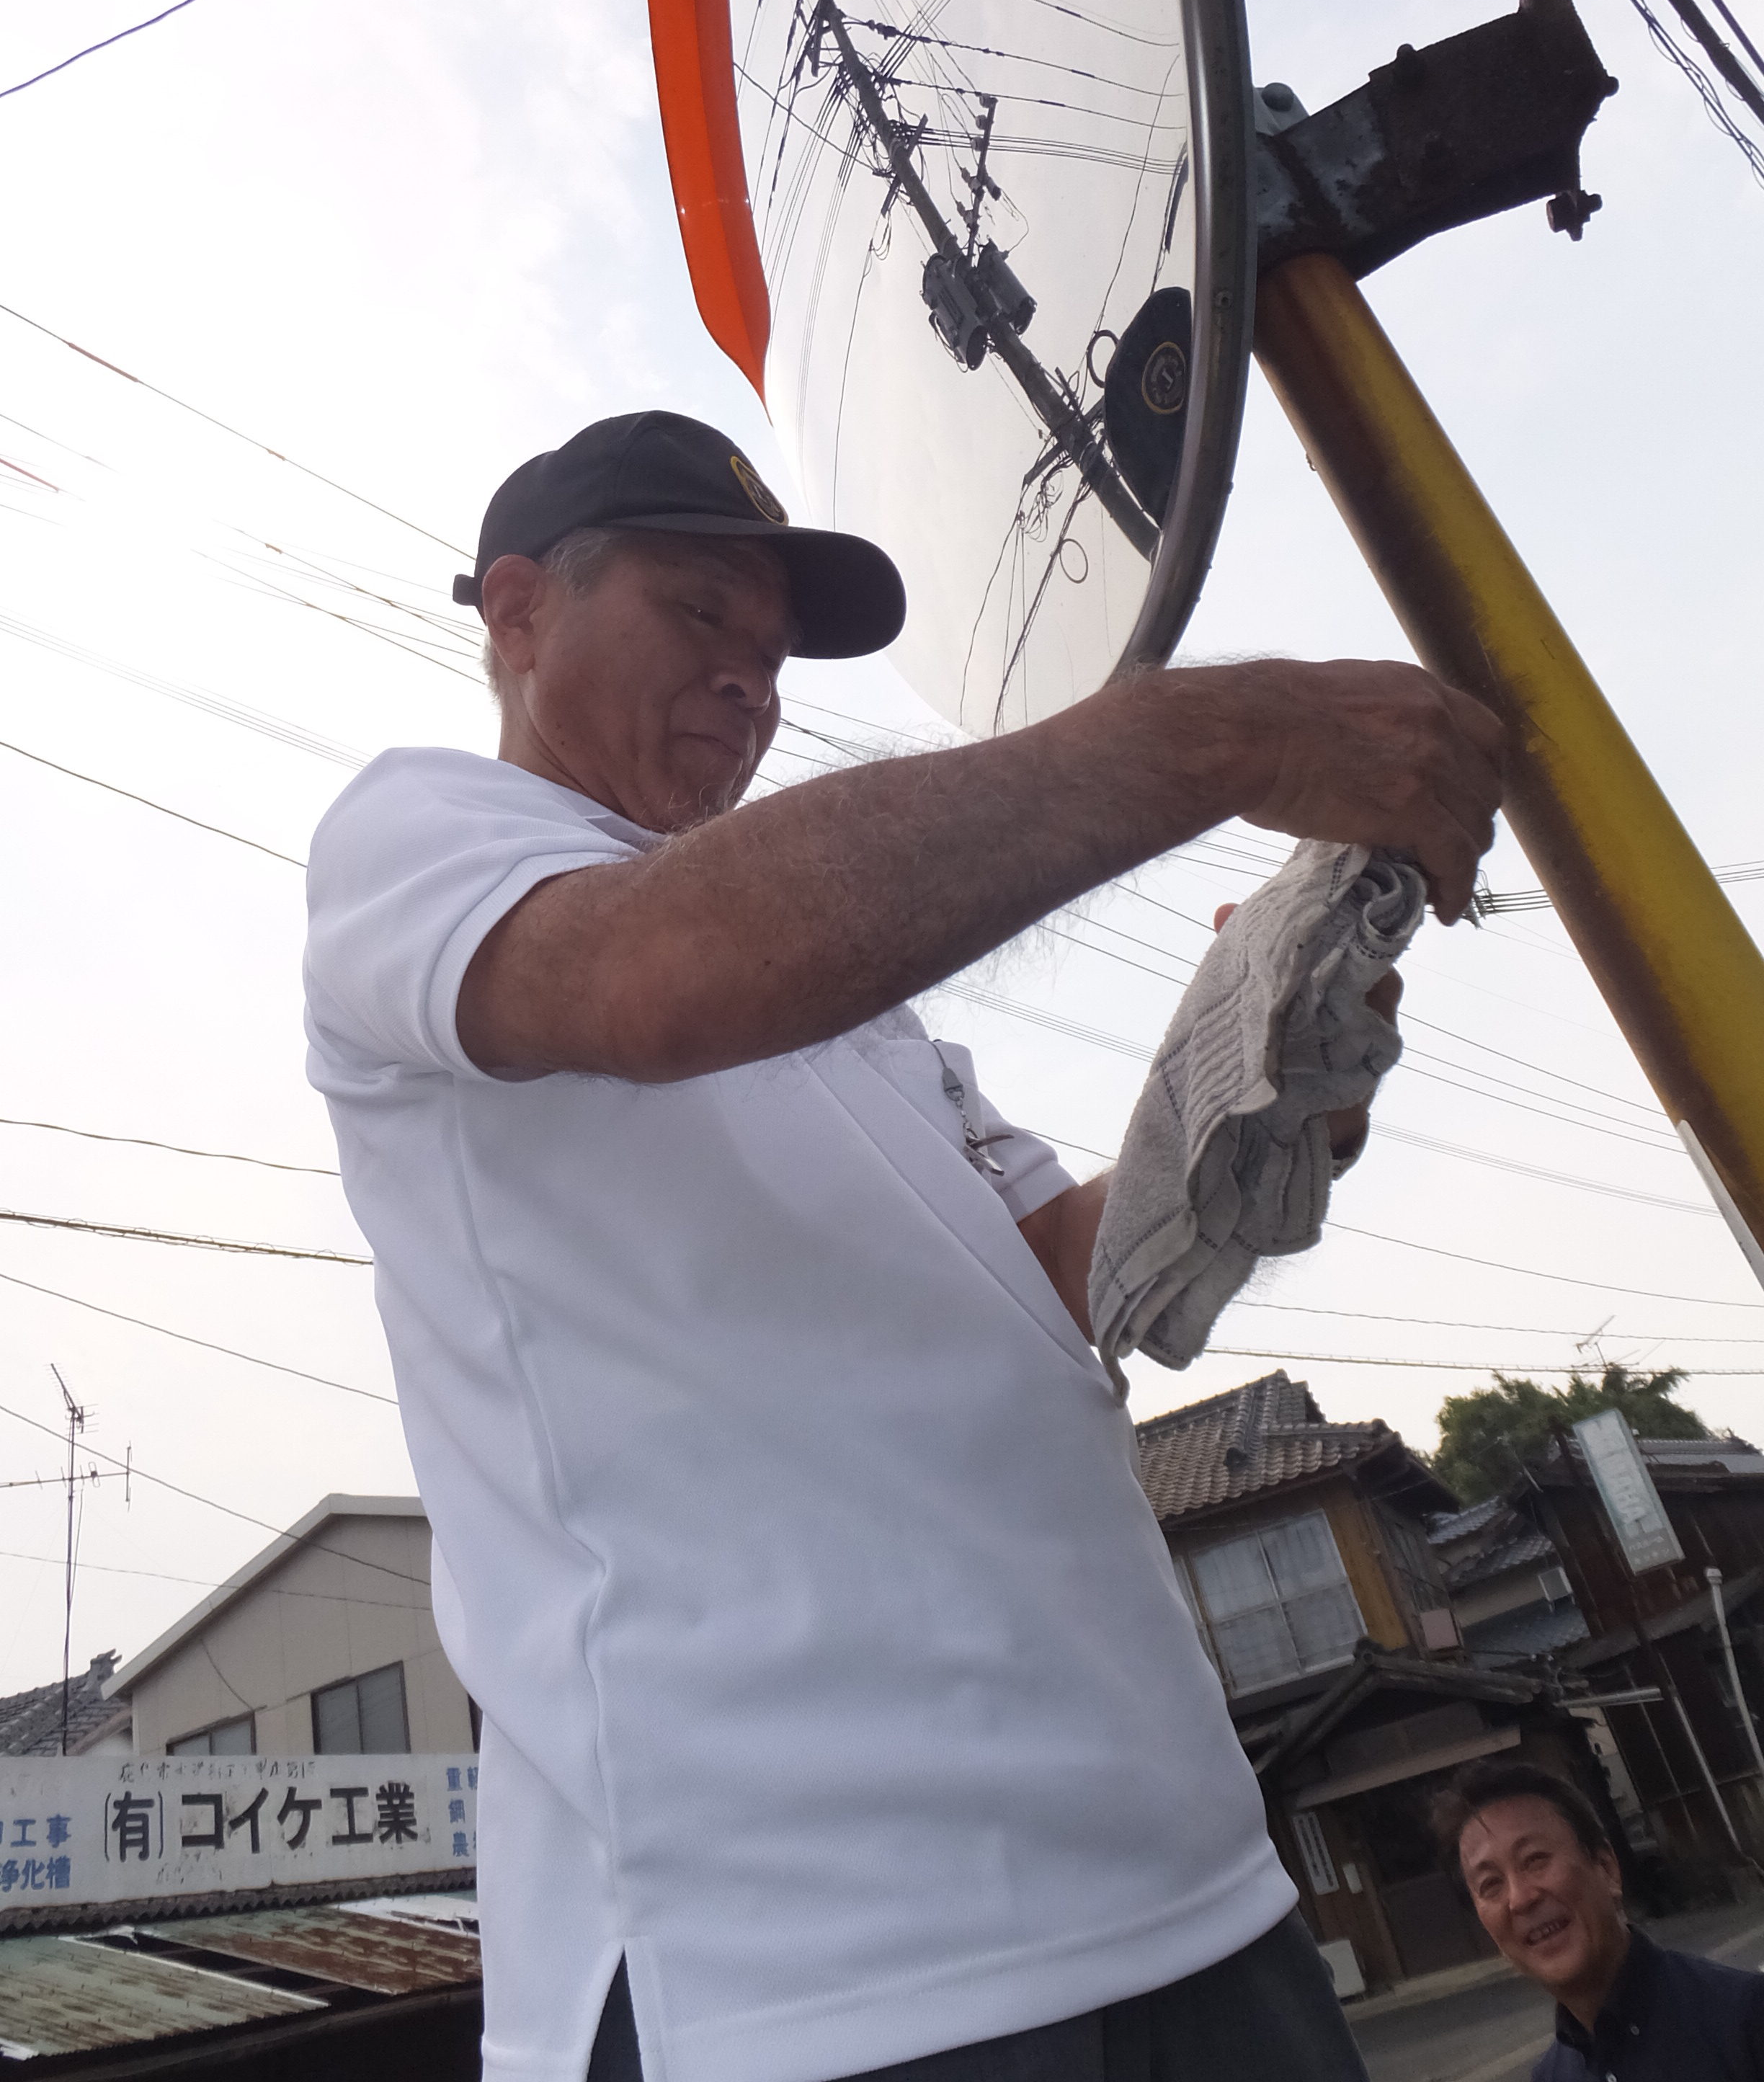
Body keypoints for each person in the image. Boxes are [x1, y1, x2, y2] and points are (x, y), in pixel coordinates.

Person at [304, 409, 1504, 2082]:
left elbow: (1079, 1279)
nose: (748, 678)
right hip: (809, 1962)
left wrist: (1250, 1087)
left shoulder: (860, 998)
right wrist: (1213, 736)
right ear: (516, 615)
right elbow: (663, 976)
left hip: (1176, 1870)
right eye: (696, 614)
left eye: (774, 651)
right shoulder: (423, 840)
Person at [1439, 1756, 1764, 2078]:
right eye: (1491, 1884)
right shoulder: (1552, 2076)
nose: (1520, 1899)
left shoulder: (1744, 2020)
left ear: (1607, 1868)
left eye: (1535, 1859)